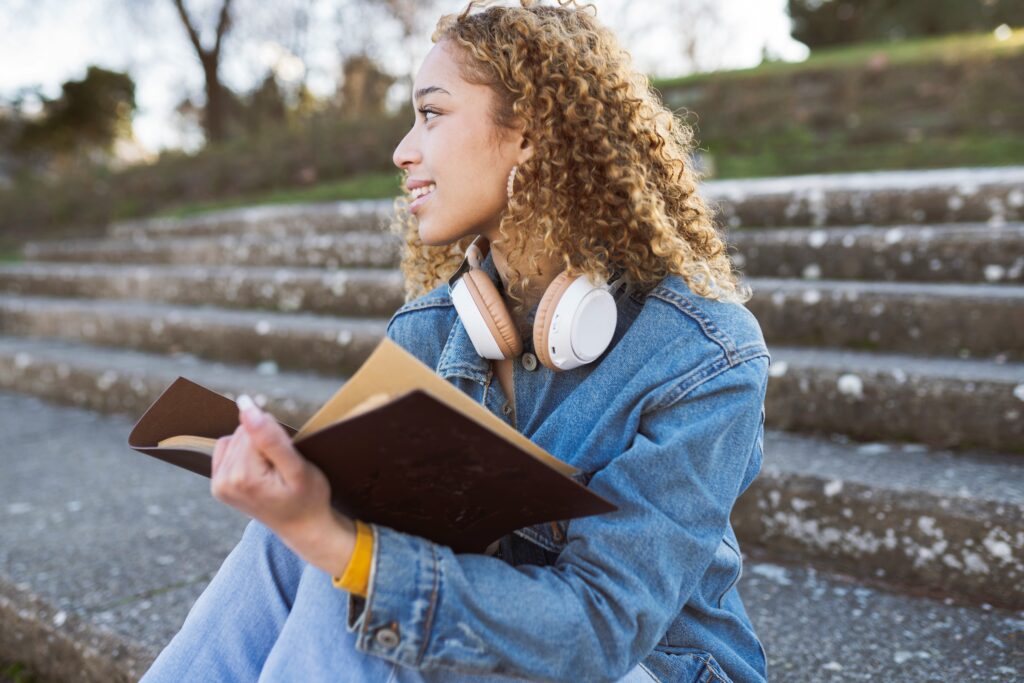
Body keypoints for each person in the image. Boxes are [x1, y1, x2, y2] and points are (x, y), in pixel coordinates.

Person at [140, 1, 771, 681]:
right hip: (481, 648)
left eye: (431, 113)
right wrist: (311, 520)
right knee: (294, 544)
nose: (401, 150)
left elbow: (600, 625)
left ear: (529, 132)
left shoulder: (705, 352)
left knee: (360, 580)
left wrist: (342, 546)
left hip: (644, 665)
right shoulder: (428, 330)